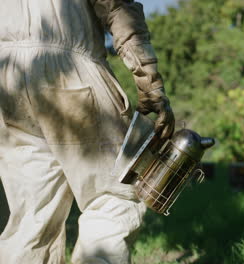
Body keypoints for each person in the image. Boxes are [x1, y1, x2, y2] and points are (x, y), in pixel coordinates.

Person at [0, 0, 175, 263]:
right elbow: (117, 8)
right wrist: (150, 83)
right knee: (114, 195)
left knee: (32, 216)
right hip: (66, 65)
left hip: (7, 76)